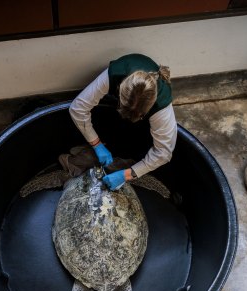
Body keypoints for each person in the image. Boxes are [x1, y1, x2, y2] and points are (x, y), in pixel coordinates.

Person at [69, 53, 177, 190]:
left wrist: (127, 174)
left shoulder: (162, 105)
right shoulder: (115, 74)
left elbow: (163, 153)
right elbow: (77, 109)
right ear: (120, 89)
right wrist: (97, 144)